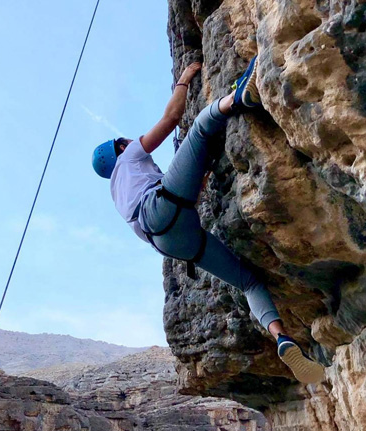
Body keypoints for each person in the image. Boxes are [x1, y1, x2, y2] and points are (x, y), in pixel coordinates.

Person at [91, 57, 325, 384]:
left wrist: (199, 178)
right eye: (124, 142)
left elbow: (177, 200)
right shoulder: (129, 158)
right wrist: (185, 78)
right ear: (119, 150)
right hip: (162, 210)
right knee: (201, 126)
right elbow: (173, 118)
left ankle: (281, 338)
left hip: (170, 241)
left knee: (249, 282)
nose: (130, 141)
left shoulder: (117, 194)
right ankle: (242, 95)